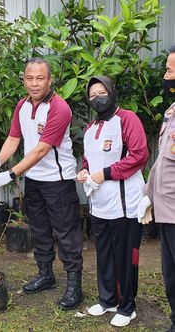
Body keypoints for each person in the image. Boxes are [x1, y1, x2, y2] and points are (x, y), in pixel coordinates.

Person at [0, 58, 84, 310]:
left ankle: (75, 285)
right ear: (24, 79)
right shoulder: (22, 105)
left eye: (40, 78)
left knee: (66, 232)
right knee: (39, 229)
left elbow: (41, 150)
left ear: (50, 80)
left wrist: (9, 175)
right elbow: (13, 138)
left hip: (58, 181)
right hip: (35, 181)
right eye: (30, 78)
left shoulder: (59, 108)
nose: (35, 83)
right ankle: (46, 275)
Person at [77, 76, 149, 327]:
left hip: (125, 204)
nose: (98, 98)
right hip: (99, 204)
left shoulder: (127, 119)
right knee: (104, 253)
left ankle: (128, 306)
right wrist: (84, 171)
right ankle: (108, 300)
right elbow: (90, 160)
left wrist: (105, 173)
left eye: (102, 92)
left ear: (112, 92)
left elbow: (139, 155)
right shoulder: (90, 128)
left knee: (125, 256)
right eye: (92, 95)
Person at [138, 45, 175, 332]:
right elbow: (162, 162)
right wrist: (149, 196)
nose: (165, 75)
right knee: (170, 276)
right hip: (166, 213)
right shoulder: (171, 113)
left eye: (170, 70)